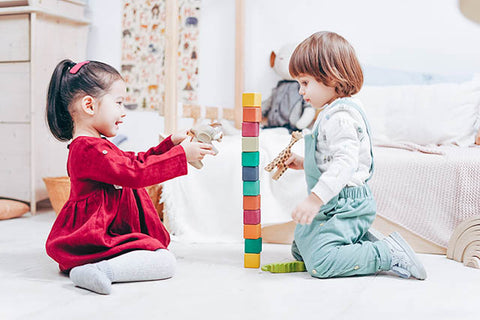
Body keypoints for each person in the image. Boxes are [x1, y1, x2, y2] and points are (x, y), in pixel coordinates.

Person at [261, 32, 427, 280]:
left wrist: (314, 200)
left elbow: (345, 164)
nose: (300, 91)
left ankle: (386, 252)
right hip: (334, 202)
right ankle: (357, 242)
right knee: (300, 248)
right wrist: (305, 163)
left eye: (305, 83)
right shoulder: (331, 112)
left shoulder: (340, 117)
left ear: (331, 78)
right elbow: (332, 158)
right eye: (298, 83)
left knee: (321, 263)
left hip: (346, 205)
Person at [45, 59, 215, 294]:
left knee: (158, 255)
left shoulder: (97, 146)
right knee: (165, 262)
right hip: (95, 235)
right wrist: (180, 156)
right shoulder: (88, 149)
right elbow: (135, 173)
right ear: (89, 105)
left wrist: (169, 146)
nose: (123, 113)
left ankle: (99, 267)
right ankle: (101, 270)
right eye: (119, 103)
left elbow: (135, 162)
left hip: (107, 231)